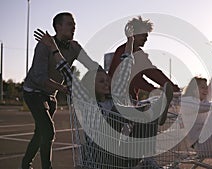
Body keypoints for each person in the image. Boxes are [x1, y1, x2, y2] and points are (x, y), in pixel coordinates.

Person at [33, 25, 172, 168]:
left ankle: (153, 109)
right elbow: (66, 70)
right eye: (101, 81)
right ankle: (148, 109)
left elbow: (126, 65)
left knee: (139, 117)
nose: (107, 84)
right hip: (100, 157)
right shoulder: (85, 100)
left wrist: (130, 41)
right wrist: (53, 47)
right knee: (120, 110)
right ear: (90, 85)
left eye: (107, 80)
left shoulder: (114, 96)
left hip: (119, 155)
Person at [20, 12, 100, 169]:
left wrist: (106, 76)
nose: (74, 27)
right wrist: (64, 88)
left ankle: (25, 165)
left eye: (74, 24)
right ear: (58, 27)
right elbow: (39, 78)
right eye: (70, 24)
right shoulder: (44, 45)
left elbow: (91, 65)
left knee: (40, 133)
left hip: (51, 94)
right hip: (34, 92)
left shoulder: (74, 47)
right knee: (48, 132)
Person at [108, 16, 180, 101]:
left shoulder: (139, 54)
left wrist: (173, 88)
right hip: (116, 100)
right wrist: (154, 90)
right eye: (144, 35)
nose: (146, 39)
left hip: (130, 99)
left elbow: (152, 72)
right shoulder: (122, 52)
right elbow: (132, 79)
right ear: (134, 34)